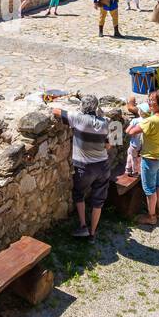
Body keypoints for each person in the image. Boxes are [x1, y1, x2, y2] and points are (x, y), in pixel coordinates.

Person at [52, 94, 113, 238]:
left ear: (82, 106)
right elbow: (108, 145)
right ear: (96, 108)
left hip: (84, 167)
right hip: (103, 166)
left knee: (79, 194)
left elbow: (56, 111)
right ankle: (93, 232)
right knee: (98, 199)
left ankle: (83, 226)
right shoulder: (104, 122)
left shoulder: (77, 118)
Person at [125, 89, 159, 226]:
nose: (148, 102)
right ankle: (158, 209)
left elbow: (131, 132)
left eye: (151, 100)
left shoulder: (150, 121)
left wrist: (136, 122)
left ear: (158, 104)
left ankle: (151, 217)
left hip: (151, 159)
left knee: (149, 189)